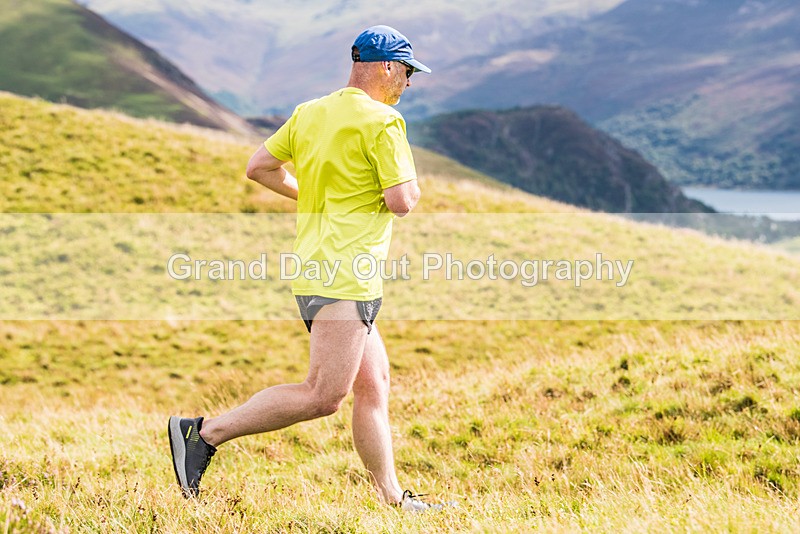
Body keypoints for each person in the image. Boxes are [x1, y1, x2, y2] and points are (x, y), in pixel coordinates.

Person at [169, 25, 445, 511]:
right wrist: (408, 191)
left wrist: (316, 197)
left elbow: (259, 167)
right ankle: (204, 434)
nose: (408, 83)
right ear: (386, 67)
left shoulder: (310, 112)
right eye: (406, 72)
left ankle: (393, 499)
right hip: (346, 277)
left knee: (374, 385)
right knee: (323, 395)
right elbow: (401, 201)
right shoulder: (384, 122)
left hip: (318, 270)